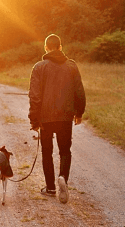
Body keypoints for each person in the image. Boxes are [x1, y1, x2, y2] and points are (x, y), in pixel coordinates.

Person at [28, 34, 86, 204]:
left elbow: (35, 96)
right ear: (60, 47)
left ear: (46, 48)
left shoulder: (39, 67)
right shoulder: (72, 66)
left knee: (47, 152)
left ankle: (51, 188)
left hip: (45, 118)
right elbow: (79, 91)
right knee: (65, 151)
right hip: (66, 117)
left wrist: (34, 119)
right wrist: (79, 112)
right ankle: (63, 179)